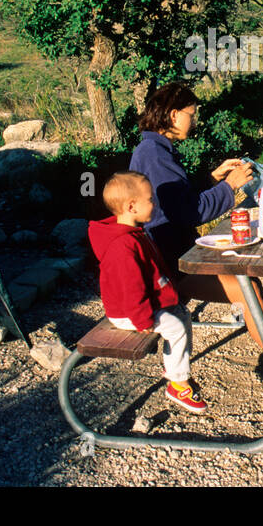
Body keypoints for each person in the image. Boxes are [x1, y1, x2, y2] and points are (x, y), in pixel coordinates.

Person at [129, 82, 263, 386]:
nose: (194, 121)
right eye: (191, 115)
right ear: (172, 114)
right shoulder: (154, 153)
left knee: (250, 286)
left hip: (173, 253)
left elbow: (177, 199)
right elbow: (189, 213)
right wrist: (229, 186)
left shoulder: (154, 149)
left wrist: (212, 178)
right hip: (168, 265)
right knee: (244, 291)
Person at [87, 171, 208, 413]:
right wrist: (142, 319)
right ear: (132, 206)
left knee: (181, 315)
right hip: (128, 312)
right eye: (150, 199)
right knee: (175, 326)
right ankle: (178, 383)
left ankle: (177, 370)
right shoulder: (123, 245)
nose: (155, 203)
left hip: (140, 306)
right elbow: (131, 288)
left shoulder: (132, 234)